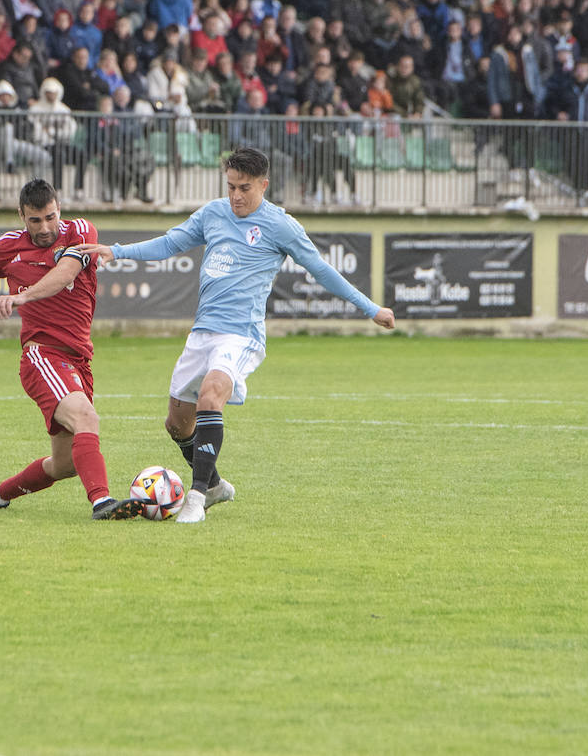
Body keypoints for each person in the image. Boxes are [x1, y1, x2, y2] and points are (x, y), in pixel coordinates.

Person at [82, 149, 396, 524]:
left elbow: (322, 270)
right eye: (230, 186)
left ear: (264, 184)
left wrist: (371, 309)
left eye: (244, 188)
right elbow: (170, 243)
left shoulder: (281, 225)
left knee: (212, 394)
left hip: (241, 334)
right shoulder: (214, 213)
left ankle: (196, 498)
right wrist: (115, 251)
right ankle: (214, 485)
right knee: (177, 422)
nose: (236, 196)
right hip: (202, 332)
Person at [0, 179, 145, 521]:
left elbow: (66, 272)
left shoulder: (80, 231)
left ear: (58, 209)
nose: (45, 228)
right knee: (86, 418)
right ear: (21, 215)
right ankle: (103, 502)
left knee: (65, 464)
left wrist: (22, 295)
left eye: (50, 217)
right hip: (42, 356)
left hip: (79, 359)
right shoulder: (7, 247)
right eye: (35, 220)